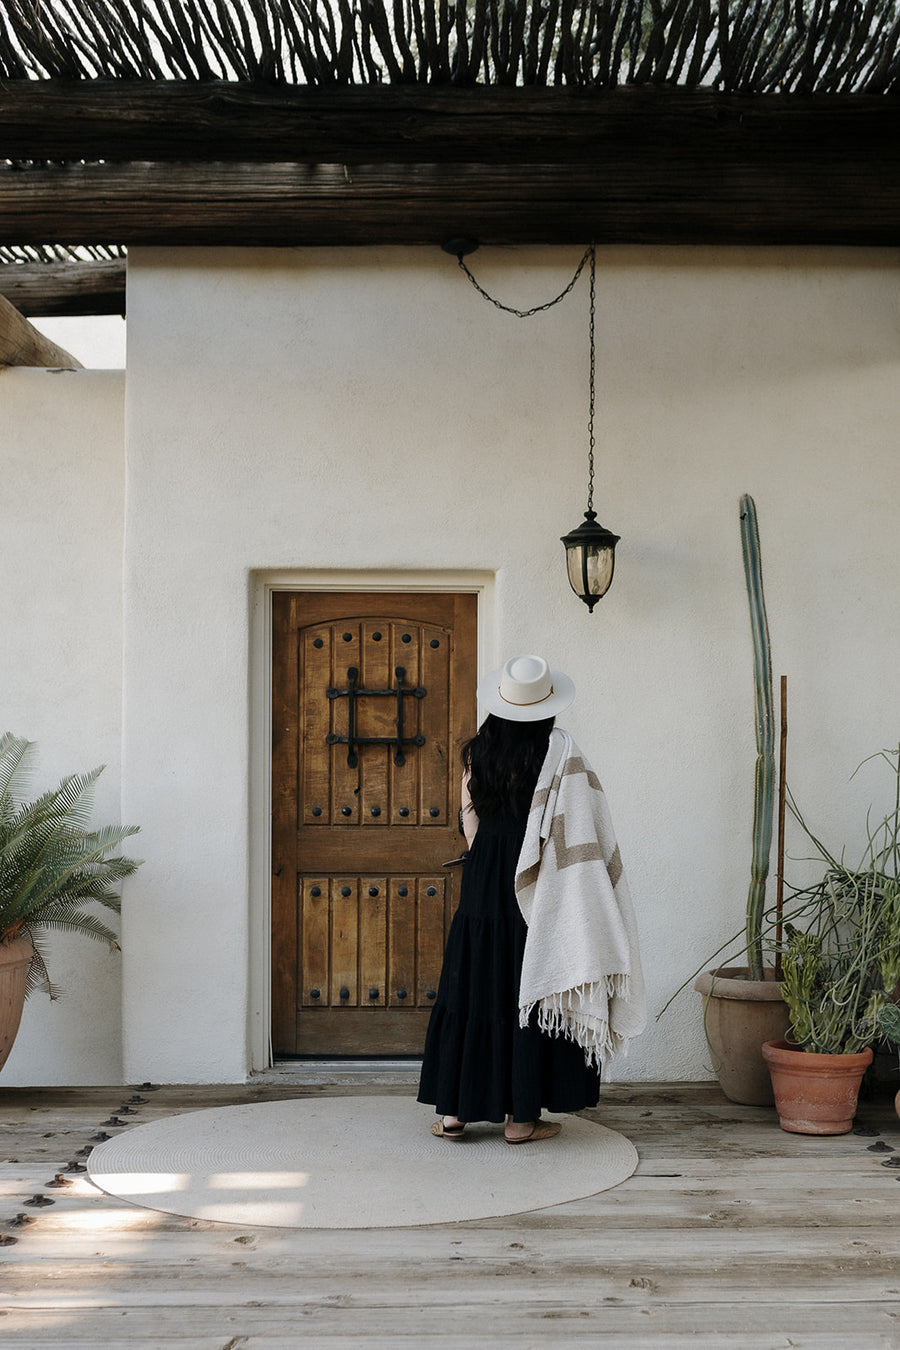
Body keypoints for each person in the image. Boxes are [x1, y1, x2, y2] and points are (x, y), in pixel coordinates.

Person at [417, 654, 646, 1144]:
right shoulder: (559, 752)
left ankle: (455, 1114)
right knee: (531, 982)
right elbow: (581, 818)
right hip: (536, 875)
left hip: (485, 876)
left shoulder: (477, 751)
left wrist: (484, 858)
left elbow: (470, 821)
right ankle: (521, 1120)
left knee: (475, 983)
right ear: (546, 708)